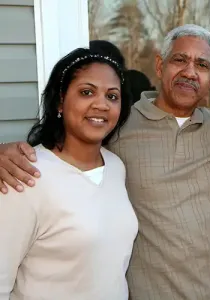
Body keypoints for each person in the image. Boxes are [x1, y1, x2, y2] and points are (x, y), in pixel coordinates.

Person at [0, 25, 210, 299]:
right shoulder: (118, 129)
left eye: (201, 64)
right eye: (179, 59)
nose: (189, 72)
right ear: (160, 65)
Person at [0, 47, 138, 299]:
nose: (101, 104)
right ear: (60, 101)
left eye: (112, 96)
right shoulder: (24, 173)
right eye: (87, 92)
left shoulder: (116, 166)